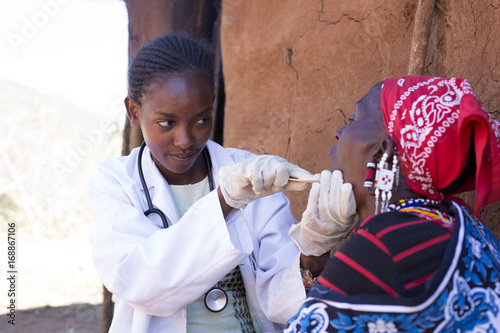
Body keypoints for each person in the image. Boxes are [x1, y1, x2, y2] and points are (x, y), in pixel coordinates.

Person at [87, 32, 326, 333]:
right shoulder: (114, 182)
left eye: (201, 120)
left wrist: (312, 256)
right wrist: (225, 200)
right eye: (166, 123)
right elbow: (138, 283)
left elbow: (280, 299)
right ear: (134, 112)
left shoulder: (251, 173)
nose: (185, 140)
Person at [285, 76, 500, 332]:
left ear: (382, 151)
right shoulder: (461, 220)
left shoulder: (382, 243)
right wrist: (314, 257)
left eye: (353, 120)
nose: (338, 132)